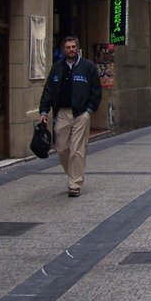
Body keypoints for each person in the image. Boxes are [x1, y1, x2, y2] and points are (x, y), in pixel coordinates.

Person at [38, 35, 102, 198]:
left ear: (77, 48)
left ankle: (75, 183)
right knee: (62, 148)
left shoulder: (87, 67)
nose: (71, 50)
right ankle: (73, 173)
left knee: (77, 150)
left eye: (73, 47)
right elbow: (49, 90)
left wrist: (89, 110)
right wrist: (44, 111)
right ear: (63, 50)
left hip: (81, 113)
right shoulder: (57, 68)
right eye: (68, 47)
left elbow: (96, 90)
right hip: (63, 112)